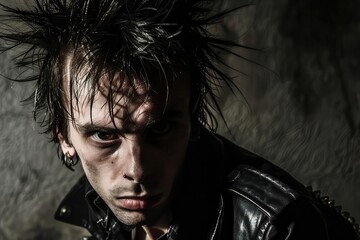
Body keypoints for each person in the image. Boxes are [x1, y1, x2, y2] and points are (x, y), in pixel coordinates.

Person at [0, 0, 359, 239]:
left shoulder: (277, 228)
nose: (136, 170)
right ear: (64, 136)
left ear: (193, 120)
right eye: (103, 136)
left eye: (160, 129)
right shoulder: (96, 211)